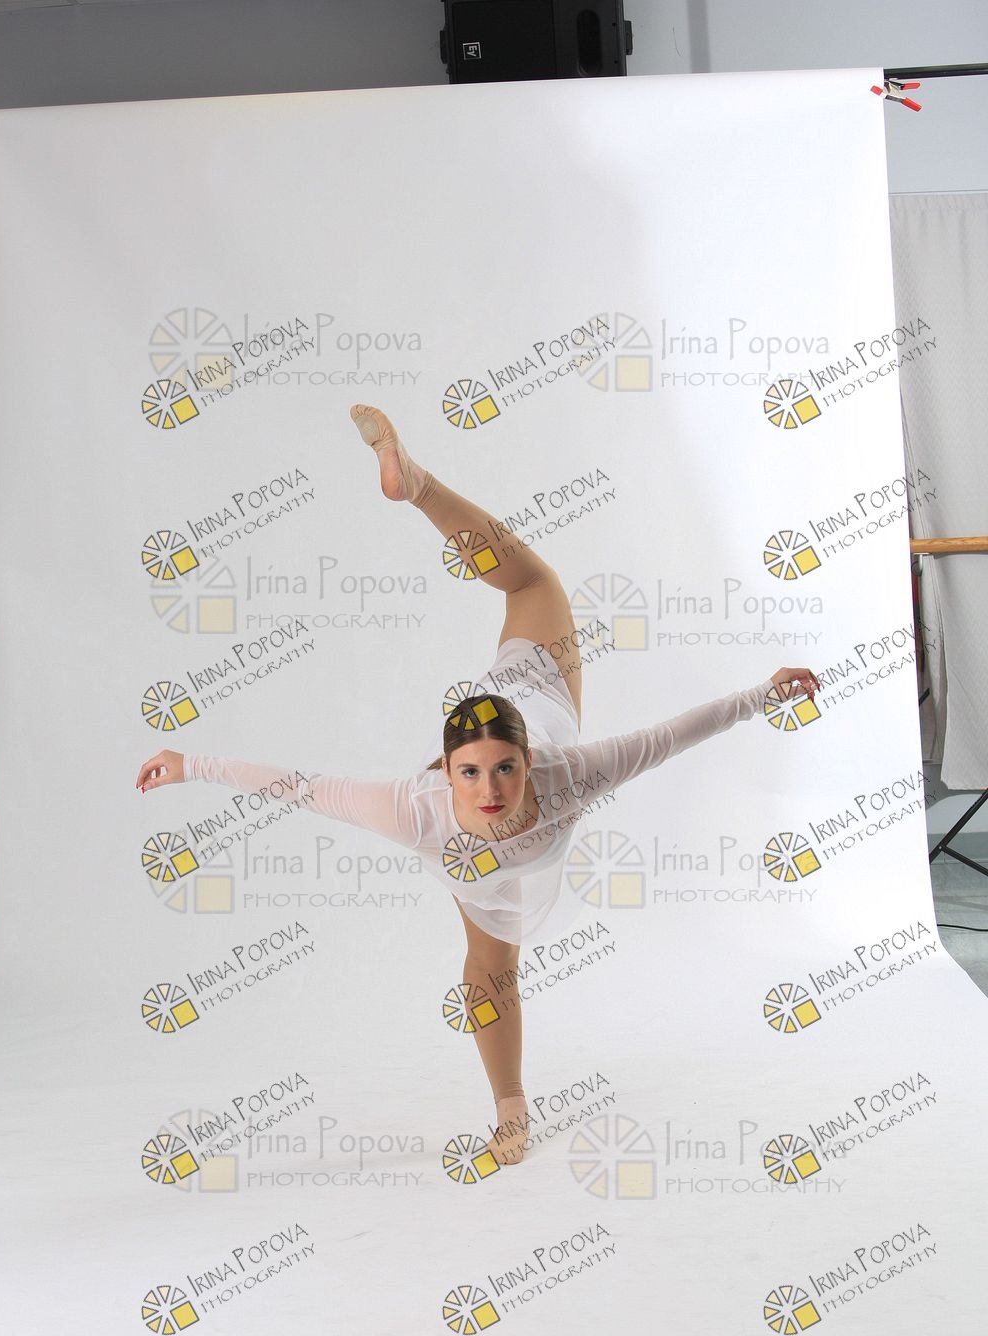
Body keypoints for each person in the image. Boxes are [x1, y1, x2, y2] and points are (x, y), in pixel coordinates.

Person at [136, 406, 820, 1167]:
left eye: (504, 770)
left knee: (531, 582)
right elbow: (300, 787)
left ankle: (418, 485)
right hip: (476, 844)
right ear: (444, 771)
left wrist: (762, 694)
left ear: (530, 762)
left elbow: (672, 735)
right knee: (492, 968)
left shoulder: (571, 773)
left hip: (528, 693)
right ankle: (511, 1113)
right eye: (470, 774)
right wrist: (192, 763)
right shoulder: (414, 811)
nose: (490, 789)